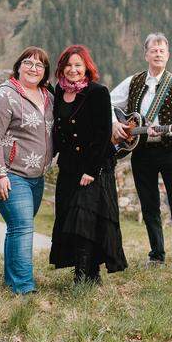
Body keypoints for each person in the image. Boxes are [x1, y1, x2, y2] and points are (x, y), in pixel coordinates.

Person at [110, 33, 172, 270]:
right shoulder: (133, 81)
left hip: (169, 151)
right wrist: (115, 123)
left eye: (162, 50)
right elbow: (107, 99)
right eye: (153, 50)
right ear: (146, 54)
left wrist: (168, 131)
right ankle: (156, 254)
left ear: (168, 55)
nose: (158, 53)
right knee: (149, 205)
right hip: (141, 151)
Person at [50, 45, 127, 284]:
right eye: (68, 65)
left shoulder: (98, 92)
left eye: (78, 65)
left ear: (86, 68)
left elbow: (103, 133)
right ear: (62, 68)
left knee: (85, 221)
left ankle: (83, 275)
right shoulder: (58, 93)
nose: (73, 70)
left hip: (95, 166)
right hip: (69, 167)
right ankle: (90, 273)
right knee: (70, 221)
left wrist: (91, 170)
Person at [0, 47, 54, 295]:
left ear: (45, 72)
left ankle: (11, 279)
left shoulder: (48, 96)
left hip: (36, 176)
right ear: (18, 66)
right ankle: (24, 287)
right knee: (23, 226)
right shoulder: (4, 96)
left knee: (17, 226)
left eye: (39, 65)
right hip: (10, 173)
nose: (33, 68)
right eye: (28, 63)